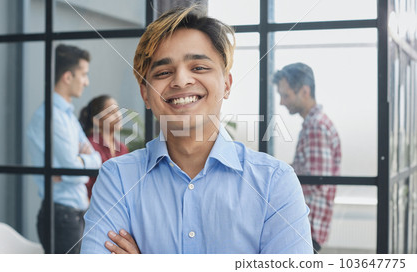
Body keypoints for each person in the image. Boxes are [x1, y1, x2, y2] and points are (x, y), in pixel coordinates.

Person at [80, 6, 312, 254]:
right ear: (145, 94)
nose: (180, 80)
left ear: (226, 84)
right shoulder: (117, 179)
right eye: (164, 72)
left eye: (199, 67)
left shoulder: (274, 183)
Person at [27, 44, 102, 253]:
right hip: (62, 217)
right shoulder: (51, 117)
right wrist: (76, 164)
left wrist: (78, 163)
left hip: (76, 213)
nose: (87, 82)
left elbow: (95, 159)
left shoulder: (67, 115)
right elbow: (75, 171)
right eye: (84, 75)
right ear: (68, 77)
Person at [273, 63, 342, 253]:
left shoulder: (316, 127)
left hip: (307, 226)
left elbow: (315, 182)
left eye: (285, 95)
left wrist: (277, 178)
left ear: (304, 91)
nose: (281, 102)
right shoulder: (314, 124)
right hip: (308, 225)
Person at [79, 95, 129, 199]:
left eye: (118, 110)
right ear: (96, 120)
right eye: (111, 112)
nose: (118, 116)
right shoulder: (89, 146)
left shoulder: (122, 148)